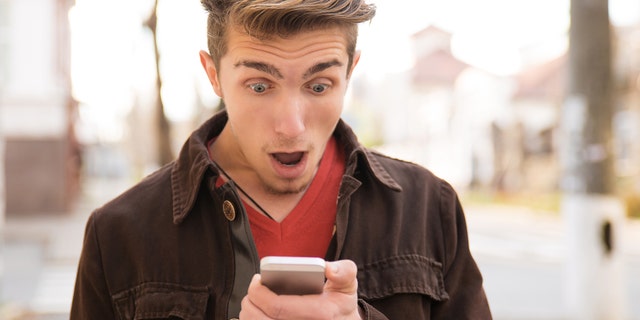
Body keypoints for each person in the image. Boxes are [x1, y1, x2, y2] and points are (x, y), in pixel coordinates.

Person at [71, 0, 492, 318]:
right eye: (259, 86)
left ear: (350, 72)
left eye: (319, 85)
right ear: (213, 74)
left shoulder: (428, 210)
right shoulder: (119, 235)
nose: (291, 126)